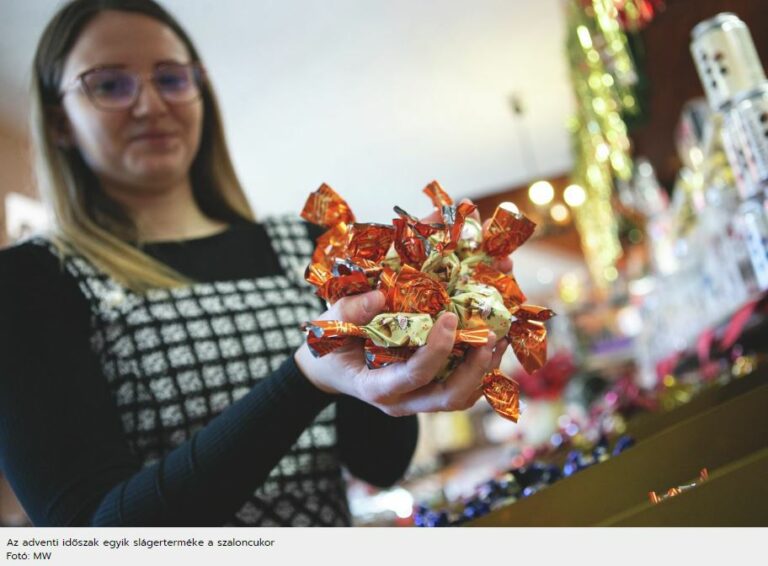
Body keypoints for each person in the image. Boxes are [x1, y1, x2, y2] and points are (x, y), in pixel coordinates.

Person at [0, 0, 509, 527]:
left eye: (171, 78)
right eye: (108, 85)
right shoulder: (30, 283)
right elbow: (89, 535)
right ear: (59, 121)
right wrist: (306, 380)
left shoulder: (310, 246)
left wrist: (412, 330)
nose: (150, 104)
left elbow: (378, 462)